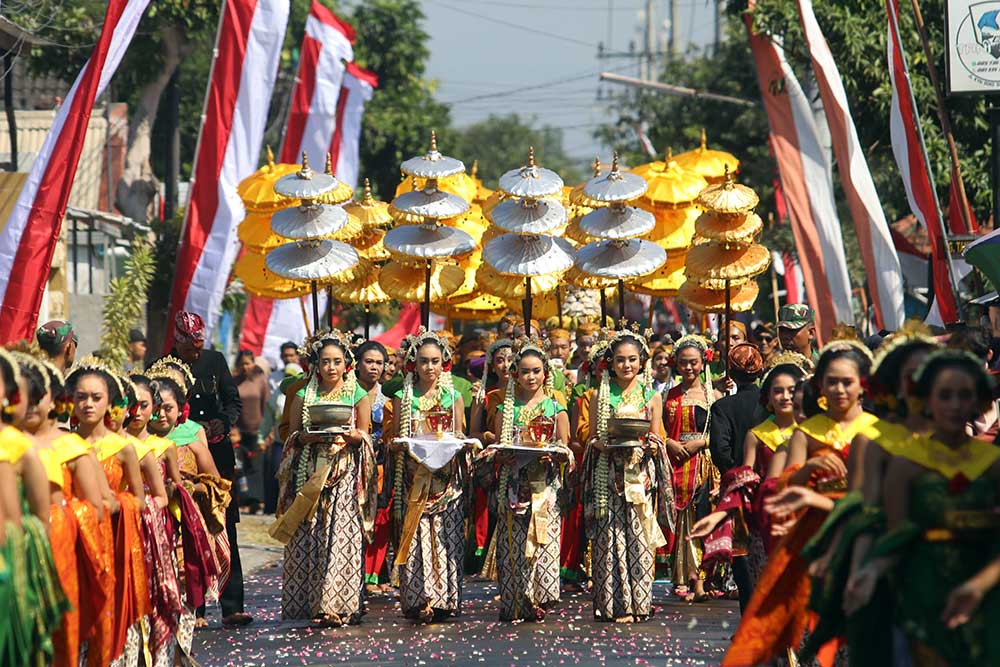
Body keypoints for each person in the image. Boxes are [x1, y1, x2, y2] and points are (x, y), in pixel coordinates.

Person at [725, 337, 876, 666]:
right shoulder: (805, 435)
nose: (839, 390)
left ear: (863, 385)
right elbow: (782, 490)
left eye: (847, 382)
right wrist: (807, 471)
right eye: (831, 382)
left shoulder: (879, 433)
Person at [873, 350, 1000, 665]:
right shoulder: (905, 464)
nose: (955, 406)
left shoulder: (993, 465)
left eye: (964, 396)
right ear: (926, 400)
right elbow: (894, 537)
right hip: (922, 597)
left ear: (978, 402)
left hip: (986, 594)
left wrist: (979, 585)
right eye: (945, 396)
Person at [276, 330, 375, 626]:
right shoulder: (304, 395)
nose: (331, 368)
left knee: (340, 538)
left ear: (347, 364)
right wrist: (304, 438)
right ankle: (312, 603)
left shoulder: (357, 394)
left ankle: (337, 605)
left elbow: (367, 436)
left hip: (344, 475)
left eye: (337, 362)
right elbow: (291, 437)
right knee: (313, 534)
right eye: (325, 362)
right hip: (309, 475)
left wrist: (356, 437)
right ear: (316, 365)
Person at [15, 351, 106, 667]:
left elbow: (95, 509)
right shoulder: (9, 444)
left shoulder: (71, 448)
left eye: (36, 397)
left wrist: (58, 519)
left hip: (58, 558)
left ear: (53, 401)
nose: (27, 405)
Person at [475, 339, 572, 621]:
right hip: (514, 485)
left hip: (544, 486)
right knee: (513, 545)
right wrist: (502, 458)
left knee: (543, 544)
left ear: (545, 374)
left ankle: (539, 597)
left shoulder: (556, 409)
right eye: (525, 371)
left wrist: (553, 456)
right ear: (515, 374)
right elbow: (500, 448)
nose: (531, 377)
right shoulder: (506, 410)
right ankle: (516, 599)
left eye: (536, 371)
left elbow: (564, 449)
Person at [164, 311, 248, 626]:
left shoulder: (215, 361)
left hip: (216, 454)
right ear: (177, 343)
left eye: (199, 347)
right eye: (189, 349)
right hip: (180, 456)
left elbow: (233, 402)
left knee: (224, 522)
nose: (195, 354)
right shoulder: (164, 367)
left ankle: (232, 605)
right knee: (186, 532)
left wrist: (222, 422)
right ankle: (195, 608)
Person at [583, 327, 671, 623]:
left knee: (639, 537)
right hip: (607, 475)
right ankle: (613, 604)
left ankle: (639, 604)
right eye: (620, 360)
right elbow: (593, 438)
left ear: (642, 361)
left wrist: (649, 446)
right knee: (609, 538)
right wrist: (604, 445)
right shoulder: (600, 394)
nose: (626, 366)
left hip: (638, 475)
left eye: (632, 359)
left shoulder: (653, 396)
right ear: (610, 362)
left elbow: (657, 438)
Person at [389, 329, 475, 623]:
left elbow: (458, 434)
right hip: (414, 477)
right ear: (414, 364)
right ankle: (418, 599)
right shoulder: (402, 395)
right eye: (424, 361)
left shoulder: (453, 396)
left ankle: (444, 599)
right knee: (415, 537)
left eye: (435, 361)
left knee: (443, 537)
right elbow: (397, 438)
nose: (429, 368)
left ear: (444, 363)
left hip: (446, 480)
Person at [663, 335, 722, 601]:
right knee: (680, 520)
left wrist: (702, 442)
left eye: (694, 363)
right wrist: (669, 443)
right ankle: (681, 576)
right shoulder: (668, 395)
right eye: (684, 363)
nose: (689, 368)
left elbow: (721, 435)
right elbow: (659, 429)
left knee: (701, 518)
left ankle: (702, 578)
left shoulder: (713, 396)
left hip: (703, 465)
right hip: (675, 463)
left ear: (703, 363)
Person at [353, 340, 395, 596]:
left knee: (380, 521)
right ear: (357, 364)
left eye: (379, 363)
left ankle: (376, 573)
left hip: (379, 467)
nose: (374, 367)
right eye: (369, 361)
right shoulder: (347, 393)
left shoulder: (389, 401)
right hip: (352, 465)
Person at [233, 350, 269, 514]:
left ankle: (257, 500)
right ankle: (244, 499)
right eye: (242, 364)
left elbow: (266, 406)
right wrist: (233, 429)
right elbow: (232, 407)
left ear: (253, 363)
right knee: (241, 467)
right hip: (239, 432)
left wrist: (267, 432)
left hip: (257, 432)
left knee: (256, 467)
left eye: (248, 363)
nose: (245, 367)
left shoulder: (260, 381)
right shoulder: (235, 381)